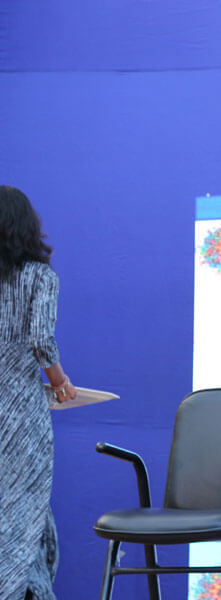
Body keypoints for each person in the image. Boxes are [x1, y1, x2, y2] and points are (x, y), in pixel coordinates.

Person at [1, 186, 77, 600]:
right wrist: (60, 382)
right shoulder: (40, 277)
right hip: (20, 416)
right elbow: (40, 341)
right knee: (25, 503)